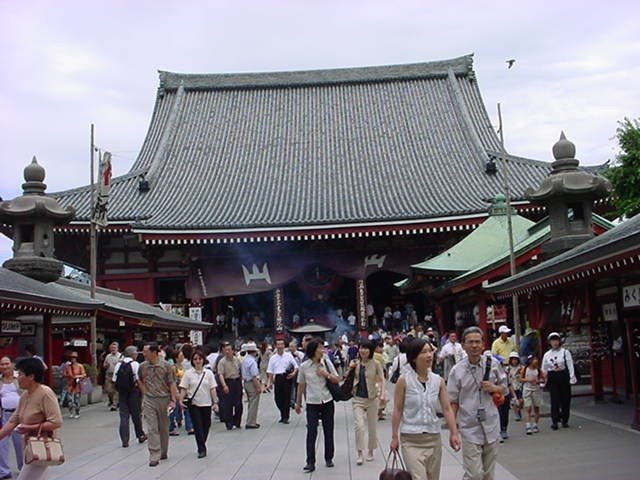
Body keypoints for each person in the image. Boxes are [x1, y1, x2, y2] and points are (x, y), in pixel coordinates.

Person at [390, 339, 460, 480]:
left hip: (433, 438)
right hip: (411, 439)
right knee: (418, 477)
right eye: (424, 352)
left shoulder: (438, 381)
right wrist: (394, 437)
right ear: (414, 357)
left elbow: (446, 408)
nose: (429, 355)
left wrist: (454, 433)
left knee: (432, 477)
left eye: (430, 351)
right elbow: (397, 409)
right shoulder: (404, 381)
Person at [447, 326, 507, 480]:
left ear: (483, 344)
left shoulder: (493, 364)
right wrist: (453, 431)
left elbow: (505, 388)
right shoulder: (457, 371)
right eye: (470, 342)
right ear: (464, 345)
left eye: (477, 342)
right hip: (469, 428)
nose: (474, 345)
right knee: (474, 474)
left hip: (492, 425)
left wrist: (494, 387)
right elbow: (452, 402)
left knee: (488, 474)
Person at [0, 357, 63, 480]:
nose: (18, 378)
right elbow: (14, 419)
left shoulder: (46, 393)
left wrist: (30, 427)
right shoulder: (25, 394)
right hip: (30, 447)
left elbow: (56, 421)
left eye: (21, 374)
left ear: (31, 376)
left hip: (41, 446)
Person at [294, 338, 339, 473]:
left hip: (327, 401)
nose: (323, 350)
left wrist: (326, 374)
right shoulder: (304, 366)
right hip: (312, 402)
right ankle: (310, 461)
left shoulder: (326, 362)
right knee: (311, 431)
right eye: (320, 348)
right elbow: (301, 385)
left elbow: (337, 379)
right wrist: (298, 403)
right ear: (313, 351)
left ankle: (329, 457)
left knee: (328, 430)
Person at [138, 342, 178, 467]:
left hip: (164, 399)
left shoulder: (166, 366)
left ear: (154, 353)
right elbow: (139, 379)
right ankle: (154, 454)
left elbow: (171, 383)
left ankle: (163, 451)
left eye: (146, 352)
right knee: (152, 428)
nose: (144, 354)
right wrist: (144, 392)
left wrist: (173, 400)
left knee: (163, 428)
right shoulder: (143, 366)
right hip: (149, 399)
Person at [347, 340, 385, 465]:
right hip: (358, 398)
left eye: (366, 348)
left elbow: (382, 379)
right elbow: (347, 377)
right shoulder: (355, 363)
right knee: (359, 426)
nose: (363, 351)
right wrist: (350, 368)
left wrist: (382, 393)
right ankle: (359, 452)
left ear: (370, 351)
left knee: (372, 427)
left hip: (372, 398)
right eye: (361, 348)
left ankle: (370, 450)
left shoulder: (376, 363)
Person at [178, 350, 218, 458]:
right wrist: (180, 400)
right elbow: (184, 388)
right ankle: (201, 448)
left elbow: (212, 388)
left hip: (206, 403)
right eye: (195, 359)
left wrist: (215, 402)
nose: (198, 361)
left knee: (206, 424)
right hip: (194, 403)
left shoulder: (208, 373)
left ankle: (202, 441)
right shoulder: (188, 374)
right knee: (198, 425)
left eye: (199, 359)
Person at [541, 332, 577, 430]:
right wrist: (543, 380)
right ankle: (555, 421)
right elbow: (544, 368)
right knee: (554, 399)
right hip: (553, 377)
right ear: (550, 342)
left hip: (563, 376)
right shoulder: (547, 355)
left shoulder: (565, 352)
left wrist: (572, 377)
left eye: (556, 340)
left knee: (565, 399)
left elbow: (570, 365)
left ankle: (565, 419)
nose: (555, 342)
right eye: (553, 340)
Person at [113, 346, 146, 448]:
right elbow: (138, 380)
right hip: (133, 392)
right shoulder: (135, 364)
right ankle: (140, 435)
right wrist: (143, 392)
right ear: (132, 354)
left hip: (122, 393)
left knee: (124, 416)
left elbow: (114, 380)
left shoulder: (118, 364)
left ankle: (125, 440)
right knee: (136, 415)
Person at [0, 356, 22, 478]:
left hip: (19, 415)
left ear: (12, 364)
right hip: (4, 415)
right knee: (2, 443)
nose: (4, 366)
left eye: (7, 363)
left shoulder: (19, 376)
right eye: (2, 364)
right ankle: (3, 471)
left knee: (20, 443)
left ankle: (23, 468)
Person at [266, 339, 297, 424]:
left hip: (286, 377)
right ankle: (282, 413)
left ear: (284, 346)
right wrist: (270, 382)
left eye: (281, 344)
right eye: (278, 345)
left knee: (286, 397)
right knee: (278, 398)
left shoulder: (288, 356)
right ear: (275, 346)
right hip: (278, 378)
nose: (280, 346)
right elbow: (270, 371)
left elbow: (296, 366)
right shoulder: (273, 358)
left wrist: (293, 374)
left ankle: (285, 416)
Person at [216, 343, 243, 430]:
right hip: (228, 382)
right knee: (228, 404)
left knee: (238, 404)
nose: (227, 352)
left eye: (229, 350)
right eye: (225, 350)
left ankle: (237, 421)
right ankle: (229, 423)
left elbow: (240, 371)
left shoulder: (237, 360)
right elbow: (220, 374)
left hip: (237, 382)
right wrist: (224, 385)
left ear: (233, 351)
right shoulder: (222, 362)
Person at [521, 355, 545, 435]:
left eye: (536, 359)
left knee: (536, 408)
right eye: (533, 359)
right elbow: (520, 379)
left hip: (536, 390)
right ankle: (528, 425)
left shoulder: (538, 370)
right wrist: (528, 380)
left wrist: (538, 381)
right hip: (527, 389)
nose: (535, 361)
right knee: (528, 408)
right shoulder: (525, 369)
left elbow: (543, 379)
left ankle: (535, 424)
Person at [240, 342, 262, 429]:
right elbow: (254, 376)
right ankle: (251, 422)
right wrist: (258, 387)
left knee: (250, 402)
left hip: (246, 382)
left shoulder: (245, 360)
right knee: (254, 402)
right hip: (251, 382)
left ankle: (251, 420)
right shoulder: (252, 362)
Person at [62, 351, 86, 419]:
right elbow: (64, 374)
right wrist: (68, 375)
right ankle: (71, 412)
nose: (73, 359)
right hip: (70, 384)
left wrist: (77, 376)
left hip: (77, 385)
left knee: (76, 400)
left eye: (74, 358)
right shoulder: (67, 366)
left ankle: (77, 412)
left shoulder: (80, 366)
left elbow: (84, 374)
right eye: (71, 358)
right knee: (69, 400)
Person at [103, 342, 122, 411]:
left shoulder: (120, 356)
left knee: (116, 390)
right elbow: (104, 365)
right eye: (112, 348)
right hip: (109, 374)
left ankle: (114, 405)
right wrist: (106, 365)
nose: (113, 349)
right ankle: (111, 400)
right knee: (108, 390)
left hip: (117, 375)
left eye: (114, 348)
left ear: (117, 348)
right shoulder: (108, 356)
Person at [506, 352, 523, 422]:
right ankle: (517, 414)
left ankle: (519, 410)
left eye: (515, 359)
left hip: (520, 386)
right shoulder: (508, 369)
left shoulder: (521, 368)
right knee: (514, 401)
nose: (514, 361)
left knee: (521, 400)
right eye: (512, 359)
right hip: (511, 387)